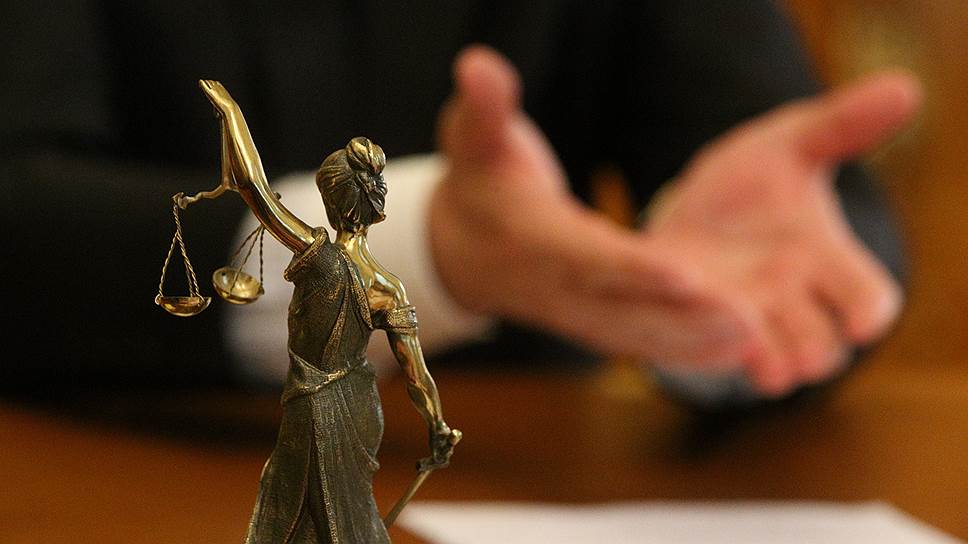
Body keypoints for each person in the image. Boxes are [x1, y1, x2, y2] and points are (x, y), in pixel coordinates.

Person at [1, 2, 918, 409]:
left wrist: (711, 315)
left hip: (525, 474)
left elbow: (808, 203)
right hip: (114, 454)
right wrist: (418, 253)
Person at [197, 81, 458, 542]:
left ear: (330, 200)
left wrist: (231, 114)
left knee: (304, 509)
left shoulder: (318, 257)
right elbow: (416, 374)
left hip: (315, 406)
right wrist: (437, 425)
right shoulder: (387, 287)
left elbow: (253, 187)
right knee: (343, 507)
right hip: (358, 408)